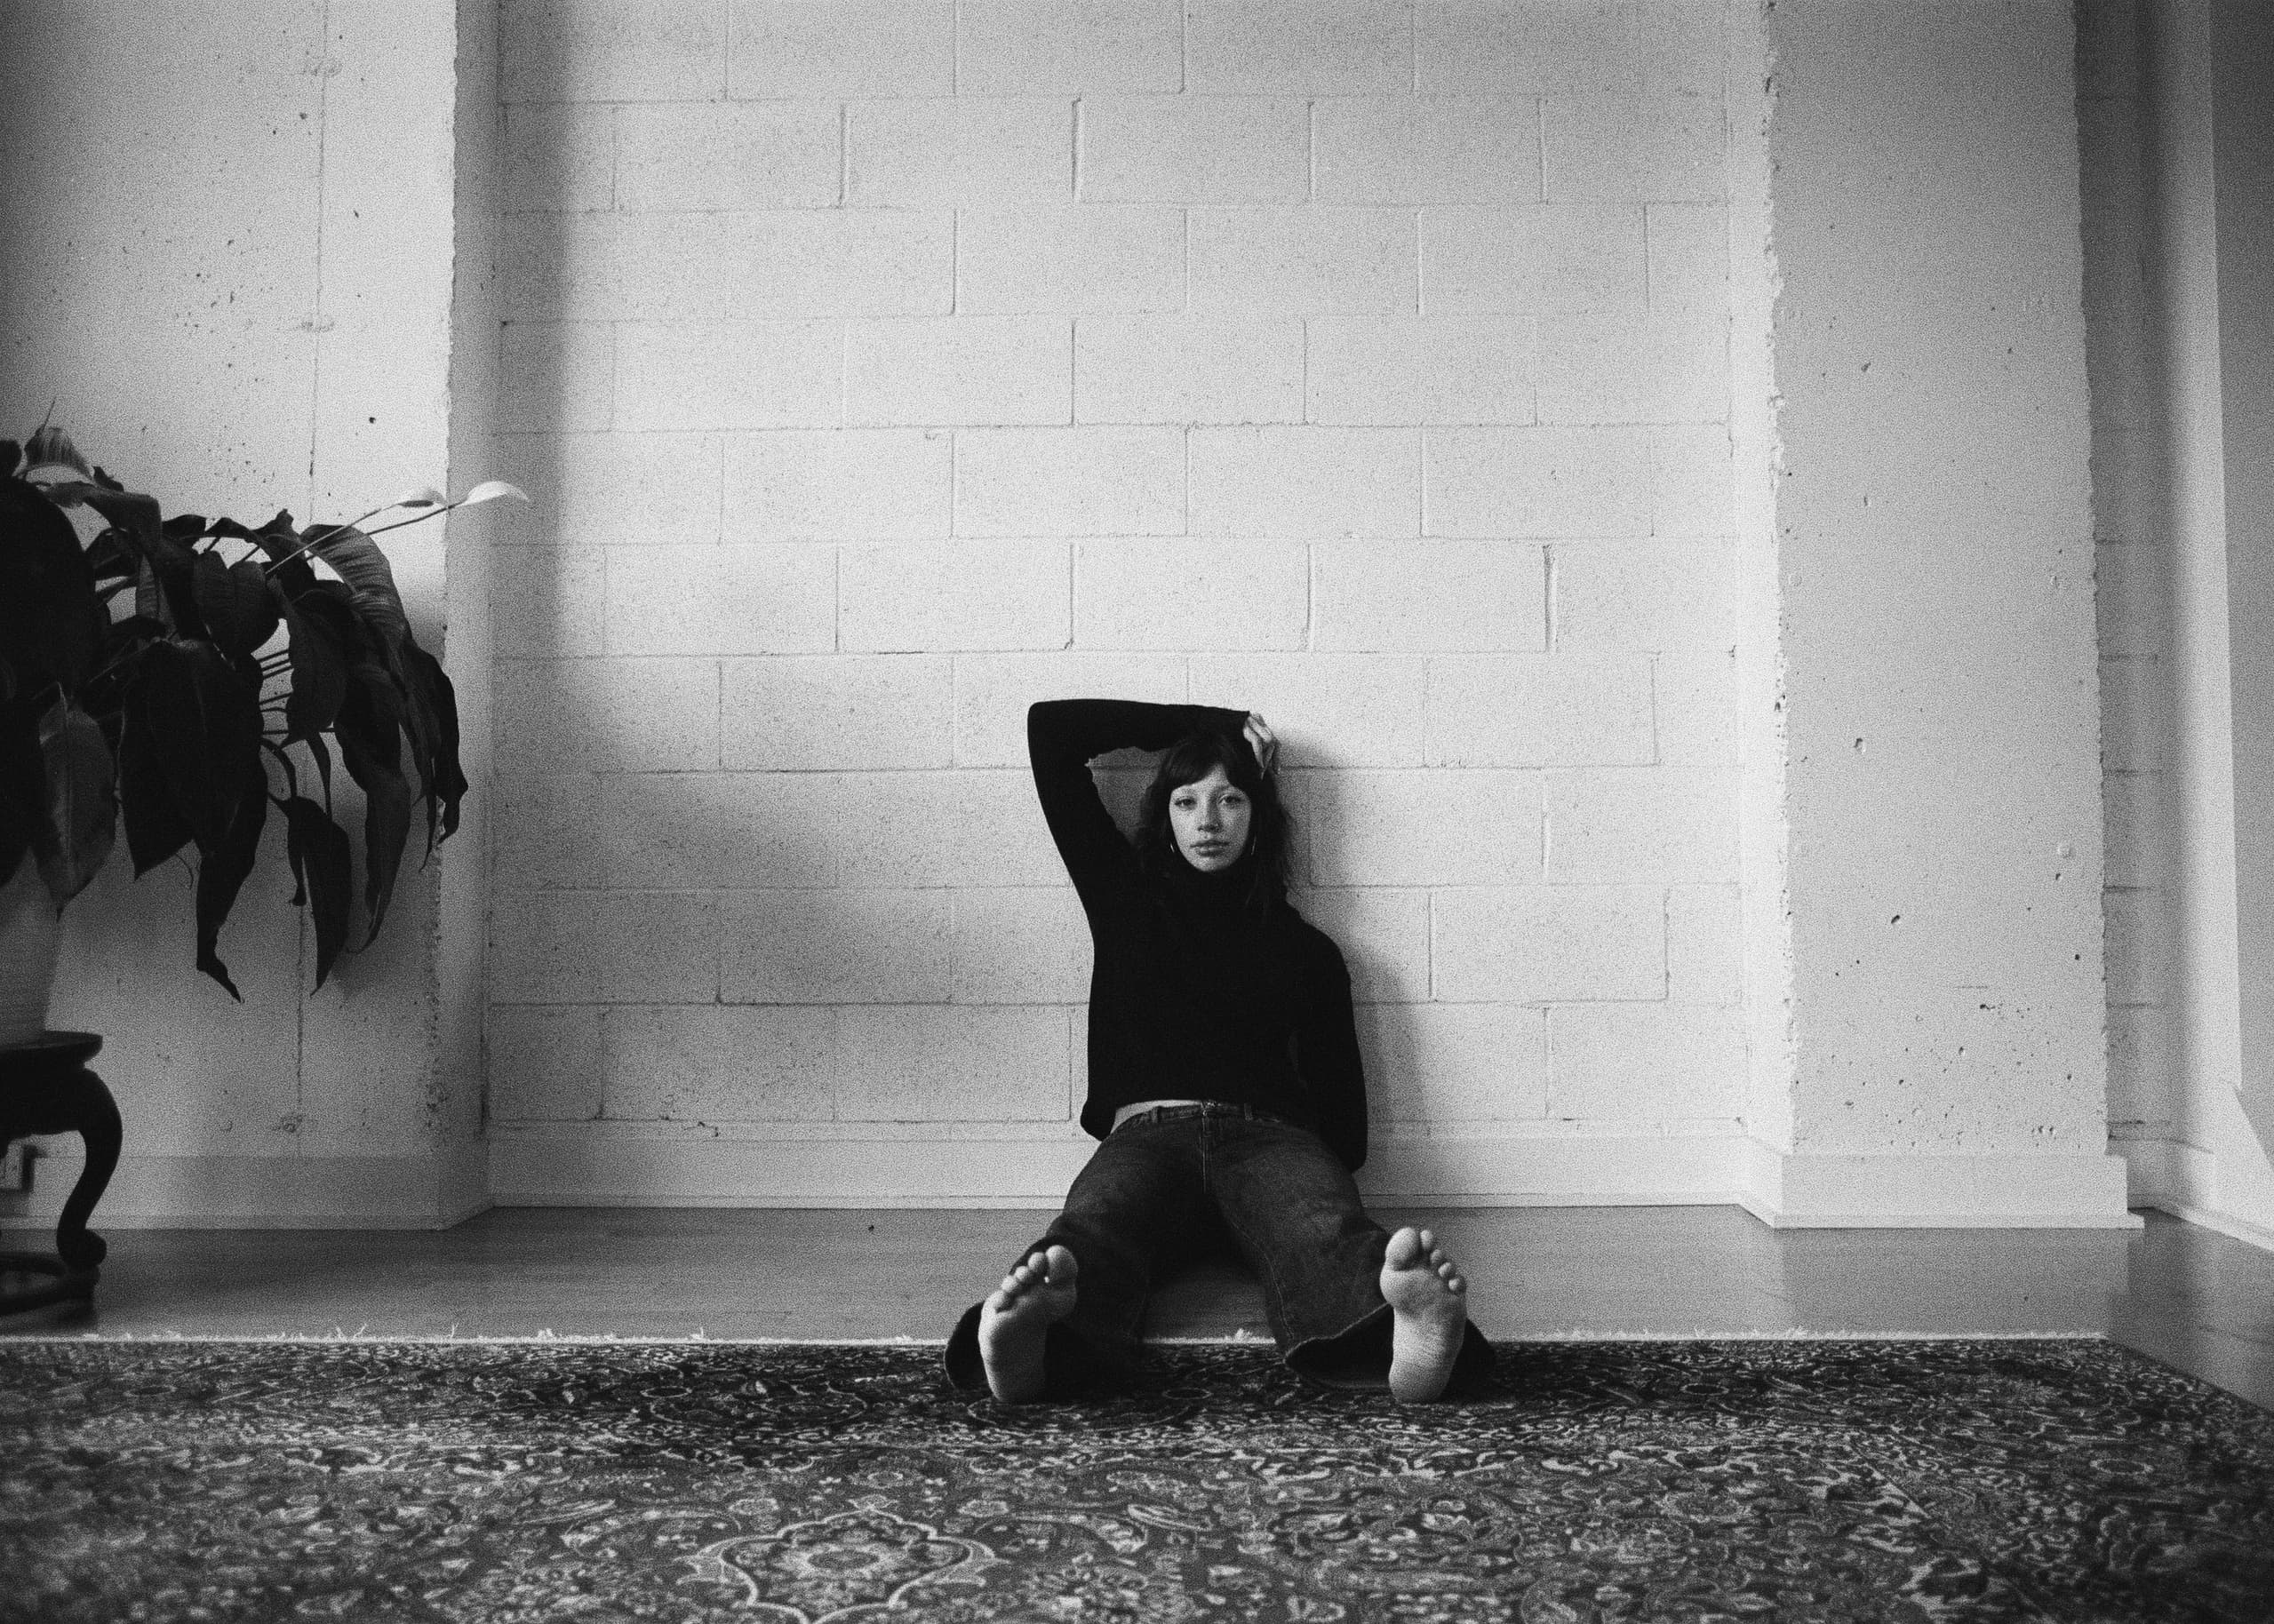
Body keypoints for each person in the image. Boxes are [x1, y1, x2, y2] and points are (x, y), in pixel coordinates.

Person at [942, 699, 1495, 1404]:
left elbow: (1345, 1132)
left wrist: (1279, 1185)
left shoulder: (1310, 952)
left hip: (1269, 1143)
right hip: (1147, 1138)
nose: (1208, 820)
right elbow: (1052, 729)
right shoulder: (1124, 899)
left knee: (1319, 1228)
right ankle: (1035, 1349)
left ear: (1259, 818)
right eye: (1186, 799)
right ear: (1163, 818)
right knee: (1093, 1230)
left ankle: (1404, 1344)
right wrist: (1217, 723)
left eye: (1230, 799)